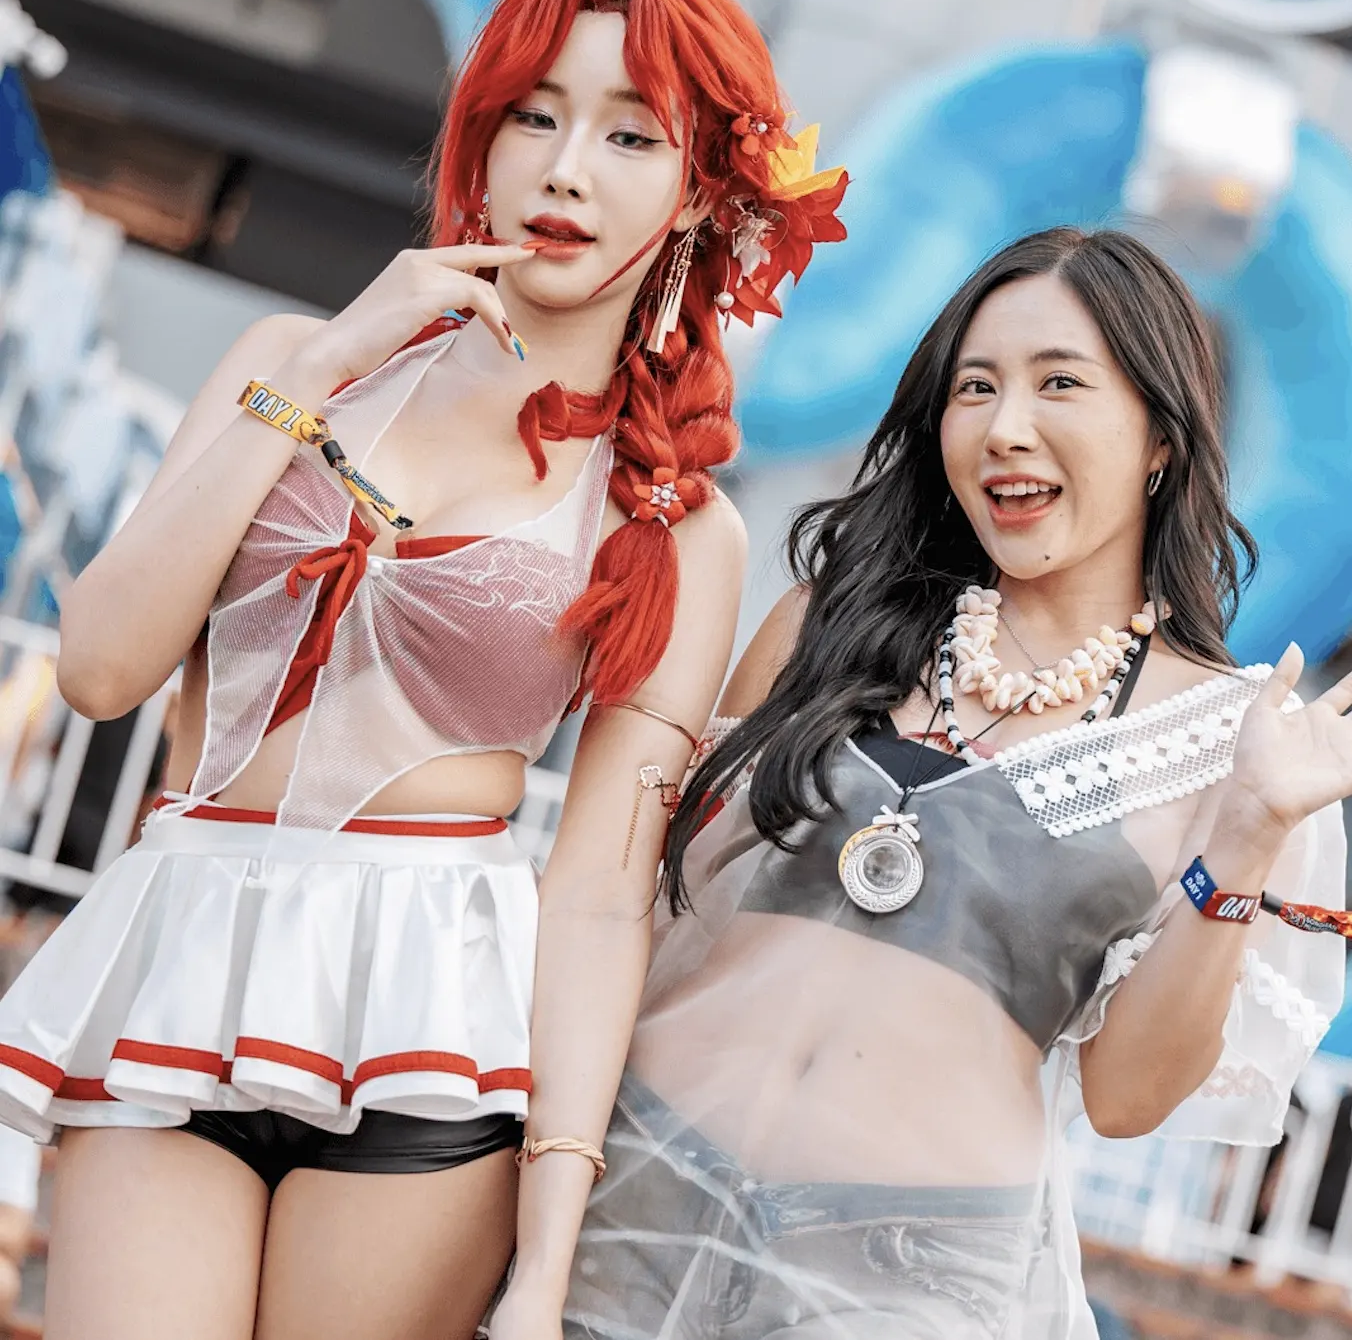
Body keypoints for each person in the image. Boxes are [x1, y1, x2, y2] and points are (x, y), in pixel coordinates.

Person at [0, 0, 848, 1340]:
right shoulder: (290, 360)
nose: (565, 169)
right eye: (535, 114)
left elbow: (598, 897)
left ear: (702, 190)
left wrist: (546, 1259)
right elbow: (100, 665)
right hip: (181, 967)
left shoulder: (677, 523)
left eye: (630, 134)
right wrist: (315, 376)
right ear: (484, 138)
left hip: (435, 1034)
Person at [540, 226, 1349, 1340]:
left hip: (904, 1282)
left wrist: (1249, 835)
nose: (1004, 427)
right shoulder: (827, 628)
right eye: (975, 387)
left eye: (1058, 383)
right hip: (629, 1200)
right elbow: (647, 913)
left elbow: (1127, 1098)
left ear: (1161, 434)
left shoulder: (1230, 741)